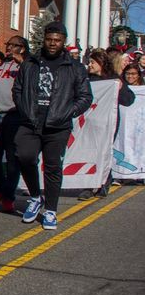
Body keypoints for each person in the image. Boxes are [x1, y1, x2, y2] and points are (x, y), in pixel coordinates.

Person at [13, 21, 92, 230]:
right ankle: (35, 196)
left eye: (57, 40)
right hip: (30, 120)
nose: (52, 43)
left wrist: (68, 112)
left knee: (52, 166)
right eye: (49, 39)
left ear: (64, 41)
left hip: (58, 125)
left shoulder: (75, 67)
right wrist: (24, 109)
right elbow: (18, 89)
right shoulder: (30, 63)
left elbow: (85, 96)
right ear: (44, 39)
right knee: (24, 156)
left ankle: (50, 210)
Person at [79, 49, 135, 200]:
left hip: (108, 123)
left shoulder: (113, 80)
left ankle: (103, 182)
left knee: (103, 151)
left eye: (92, 62)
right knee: (89, 151)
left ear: (101, 64)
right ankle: (89, 185)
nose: (89, 65)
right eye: (89, 62)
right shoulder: (86, 79)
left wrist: (121, 88)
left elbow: (129, 100)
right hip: (89, 122)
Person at [0, 36, 29, 213]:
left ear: (22, 48)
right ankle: (0, 189)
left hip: (14, 116)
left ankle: (8, 195)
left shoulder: (26, 66)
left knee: (13, 158)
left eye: (14, 45)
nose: (10, 48)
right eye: (8, 44)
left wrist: (22, 60)